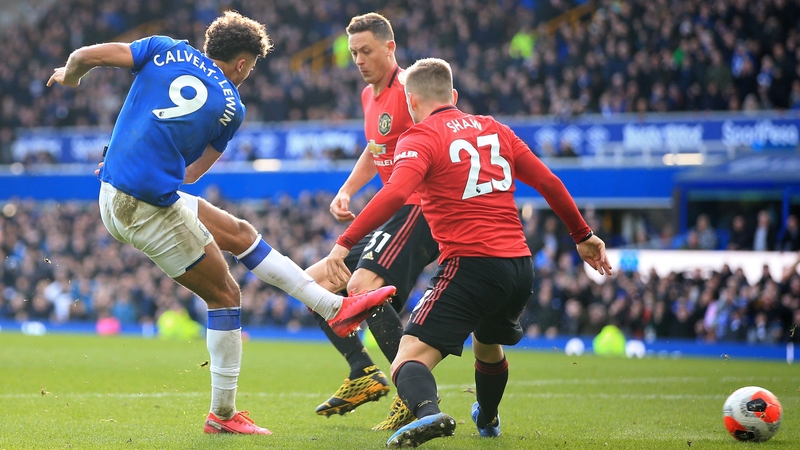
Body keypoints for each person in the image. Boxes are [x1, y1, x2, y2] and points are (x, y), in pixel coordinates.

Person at [46, 11, 395, 436]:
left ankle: (332, 308)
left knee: (241, 233)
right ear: (243, 63)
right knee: (226, 295)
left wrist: (70, 77)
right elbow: (192, 174)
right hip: (145, 206)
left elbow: (85, 55)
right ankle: (223, 415)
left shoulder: (164, 48)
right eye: (252, 67)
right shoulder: (231, 107)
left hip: (116, 191)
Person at [324, 58, 613, 447]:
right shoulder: (496, 129)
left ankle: (428, 413)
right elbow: (548, 181)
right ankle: (488, 418)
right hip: (519, 266)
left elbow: (394, 193)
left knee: (407, 357)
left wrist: (344, 242)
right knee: (488, 344)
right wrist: (583, 235)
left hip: (470, 265)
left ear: (411, 101)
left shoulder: (420, 137)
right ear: (454, 96)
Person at [303, 12, 441, 430]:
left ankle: (412, 395)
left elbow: (445, 134)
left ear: (389, 47)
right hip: (392, 213)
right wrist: (347, 190)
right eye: (353, 53)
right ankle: (362, 371)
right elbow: (374, 147)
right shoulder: (369, 97)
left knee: (362, 286)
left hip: (419, 208)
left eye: (366, 51)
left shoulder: (410, 90)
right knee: (312, 285)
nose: (359, 60)